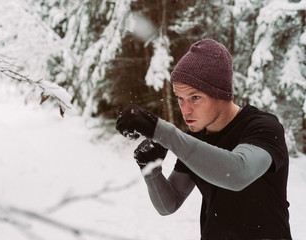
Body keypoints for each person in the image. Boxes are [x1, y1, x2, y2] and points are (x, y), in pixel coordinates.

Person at [116, 38, 292, 240]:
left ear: (221, 93)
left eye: (195, 98)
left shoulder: (263, 127)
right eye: (180, 98)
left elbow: (237, 174)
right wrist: (150, 169)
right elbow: (169, 204)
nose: (185, 109)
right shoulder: (197, 139)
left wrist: (161, 131)